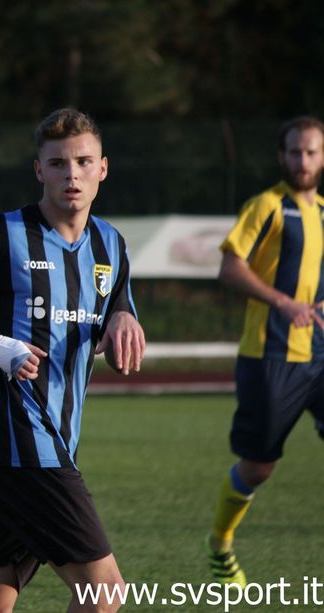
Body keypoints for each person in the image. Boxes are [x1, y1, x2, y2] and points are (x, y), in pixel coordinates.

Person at [0, 108, 146, 612]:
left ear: (103, 168)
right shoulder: (0, 234)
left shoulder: (111, 244)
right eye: (58, 164)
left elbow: (117, 307)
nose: (72, 175)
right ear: (39, 170)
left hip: (52, 445)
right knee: (103, 592)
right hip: (20, 442)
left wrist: (123, 319)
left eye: (83, 162)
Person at [204, 115, 324, 587]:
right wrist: (281, 302)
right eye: (295, 152)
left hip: (320, 354)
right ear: (282, 157)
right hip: (270, 358)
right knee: (259, 466)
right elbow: (230, 269)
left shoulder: (323, 214)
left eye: (311, 152)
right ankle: (220, 543)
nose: (303, 160)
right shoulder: (268, 206)